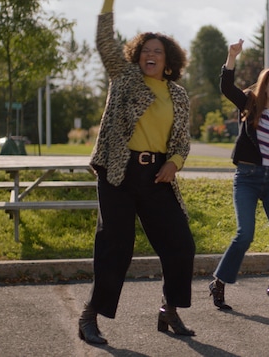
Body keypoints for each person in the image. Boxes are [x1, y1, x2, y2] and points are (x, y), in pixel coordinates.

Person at [78, 0, 195, 344]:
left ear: (168, 60)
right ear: (136, 55)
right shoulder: (125, 77)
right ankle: (89, 317)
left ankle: (169, 310)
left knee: (180, 244)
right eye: (145, 49)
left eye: (157, 51)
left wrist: (175, 163)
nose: (151, 54)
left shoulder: (177, 94)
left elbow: (181, 141)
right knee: (116, 247)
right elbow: (104, 42)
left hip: (157, 176)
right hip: (118, 174)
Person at [208, 39, 269, 310]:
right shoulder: (249, 104)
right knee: (245, 234)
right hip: (247, 178)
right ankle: (219, 282)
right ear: (266, 85)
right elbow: (226, 87)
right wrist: (231, 57)